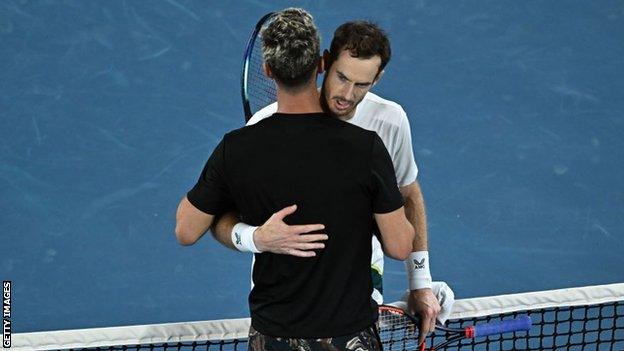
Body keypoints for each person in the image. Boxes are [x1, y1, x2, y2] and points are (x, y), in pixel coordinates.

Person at [176, 8, 415, 350]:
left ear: (267, 70)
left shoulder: (238, 148)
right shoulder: (367, 149)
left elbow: (186, 230)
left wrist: (256, 237)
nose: (348, 93)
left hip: (274, 336)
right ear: (321, 64)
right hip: (350, 335)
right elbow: (399, 245)